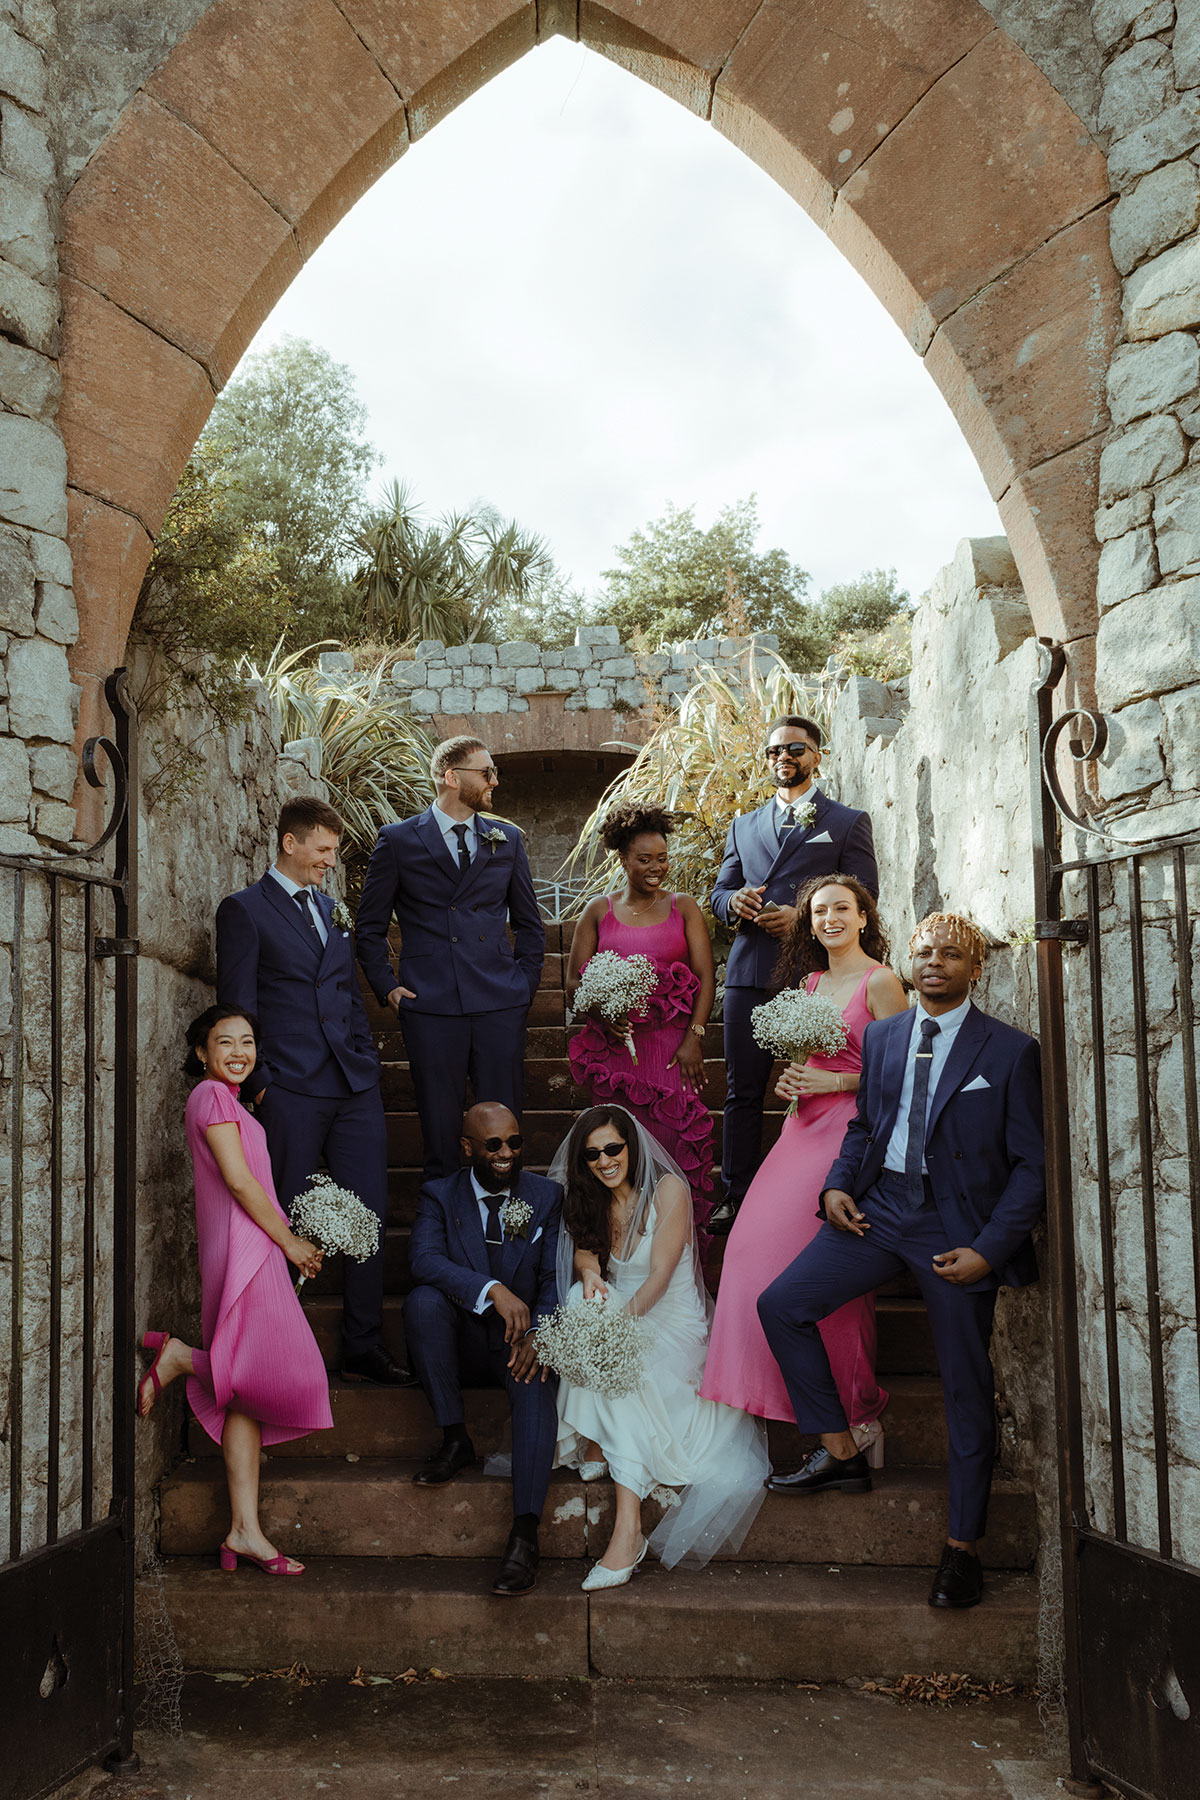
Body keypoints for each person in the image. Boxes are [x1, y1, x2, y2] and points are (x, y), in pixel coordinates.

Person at [756, 913, 1045, 1611]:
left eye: (952, 954)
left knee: (965, 1389)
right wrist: (836, 1185)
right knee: (781, 1304)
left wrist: (987, 1250)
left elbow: (1032, 1167)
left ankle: (961, 1548)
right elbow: (865, 1126)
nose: (936, 962)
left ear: (976, 969)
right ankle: (842, 1454)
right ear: (909, 962)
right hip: (878, 1213)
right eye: (925, 952)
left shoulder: (1009, 1051)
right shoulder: (884, 1037)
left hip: (953, 1233)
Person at [701, 875, 907, 1453]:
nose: (831, 919)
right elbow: (803, 1061)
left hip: (850, 1136)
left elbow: (905, 1076)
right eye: (820, 911)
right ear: (809, 922)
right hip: (802, 1126)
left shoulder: (883, 982)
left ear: (864, 917)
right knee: (745, 1251)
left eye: (843, 908)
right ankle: (773, 1394)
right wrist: (796, 1078)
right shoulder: (810, 981)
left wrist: (836, 1079)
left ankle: (859, 1416)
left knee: (829, 1269)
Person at [215, 796, 407, 1387]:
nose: (329, 861)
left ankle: (362, 1345)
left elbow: (347, 993)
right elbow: (238, 1006)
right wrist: (262, 1085)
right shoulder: (244, 910)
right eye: (322, 850)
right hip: (289, 1088)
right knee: (285, 1217)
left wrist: (365, 1060)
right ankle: (281, 1343)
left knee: (370, 1213)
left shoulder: (330, 908)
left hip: (353, 1085)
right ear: (290, 843)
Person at [137, 1006, 332, 1575]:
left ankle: (244, 1529)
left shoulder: (229, 1100)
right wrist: (290, 1242)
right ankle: (182, 1358)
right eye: (225, 1042)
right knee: (279, 1374)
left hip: (251, 1244)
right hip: (245, 1247)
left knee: (245, 1394)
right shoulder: (214, 1096)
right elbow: (240, 1180)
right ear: (202, 1051)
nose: (239, 1052)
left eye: (247, 1041)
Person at [551, 1106, 767, 1589]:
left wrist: (617, 1332)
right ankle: (617, 1492)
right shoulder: (591, 1196)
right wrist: (589, 1274)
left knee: (624, 1360)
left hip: (670, 1320)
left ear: (631, 1146)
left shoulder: (669, 1190)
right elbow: (586, 1250)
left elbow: (661, 1278)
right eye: (593, 1155)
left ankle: (625, 1526)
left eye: (613, 1149)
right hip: (624, 1305)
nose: (605, 1161)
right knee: (579, 1301)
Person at [709, 716, 878, 1232]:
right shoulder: (743, 825)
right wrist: (731, 900)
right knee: (743, 1088)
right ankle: (735, 1196)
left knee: (813, 1081)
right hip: (750, 970)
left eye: (796, 748)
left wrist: (802, 917)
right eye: (774, 750)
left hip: (815, 971)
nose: (784, 756)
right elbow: (717, 894)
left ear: (816, 756)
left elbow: (864, 893)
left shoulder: (847, 821)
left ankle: (816, 1186)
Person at [355, 736, 545, 1182]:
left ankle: (507, 1232)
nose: (495, 780)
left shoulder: (508, 839)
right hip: (431, 1004)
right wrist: (388, 987)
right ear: (452, 777)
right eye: (486, 772)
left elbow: (530, 924)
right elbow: (369, 927)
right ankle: (443, 1233)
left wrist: (523, 986)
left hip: (499, 1001)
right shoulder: (398, 840)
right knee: (440, 1131)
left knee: (503, 1132)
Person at [404, 1102, 562, 1597]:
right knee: (423, 1303)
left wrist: (541, 1331)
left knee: (537, 1381)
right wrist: (492, 1288)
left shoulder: (546, 1196)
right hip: (464, 1340)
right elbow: (424, 1259)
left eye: (515, 1142)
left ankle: (525, 1533)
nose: (507, 1153)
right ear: (467, 1147)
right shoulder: (439, 1194)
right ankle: (455, 1437)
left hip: (521, 1340)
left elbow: (555, 1277)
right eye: (494, 1144)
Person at [566, 804, 716, 1239]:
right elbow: (575, 983)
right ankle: (618, 1255)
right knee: (617, 1153)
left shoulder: (683, 907)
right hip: (616, 1055)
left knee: (672, 1147)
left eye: (662, 858)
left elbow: (706, 977)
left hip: (672, 1053)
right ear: (623, 860)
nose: (656, 868)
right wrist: (601, 1012)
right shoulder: (598, 911)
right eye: (644, 859)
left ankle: (673, 1257)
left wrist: (694, 1037)